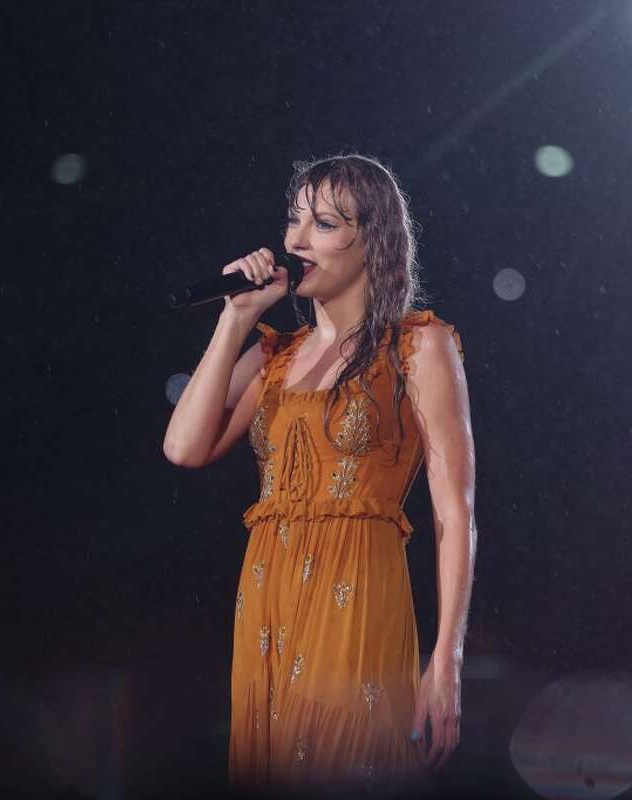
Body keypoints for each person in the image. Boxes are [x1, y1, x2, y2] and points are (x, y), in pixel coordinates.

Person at [163, 153, 476, 796]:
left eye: (325, 224)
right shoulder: (275, 357)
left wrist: (446, 657)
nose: (295, 241)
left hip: (357, 595)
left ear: (373, 245)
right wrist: (236, 317)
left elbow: (455, 508)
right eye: (293, 220)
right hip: (266, 594)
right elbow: (183, 448)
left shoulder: (418, 346)